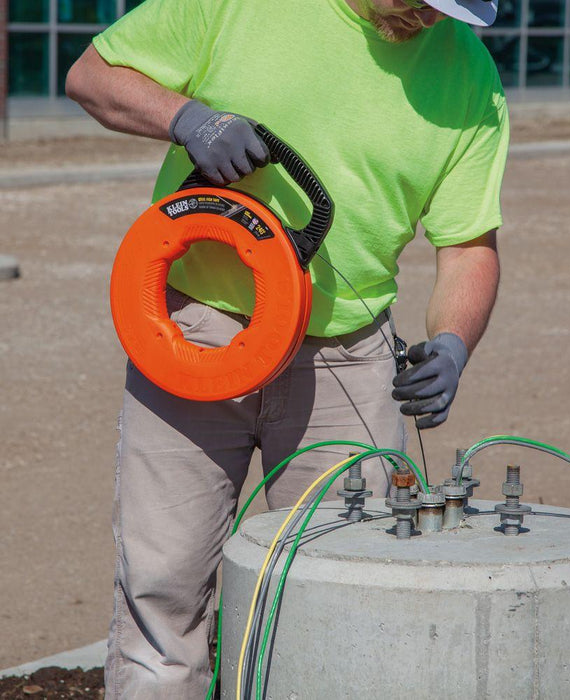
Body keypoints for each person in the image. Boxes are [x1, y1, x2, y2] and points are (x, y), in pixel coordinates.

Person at [66, 0, 508, 696]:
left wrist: (453, 343)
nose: (429, 16)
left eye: (446, 6)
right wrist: (189, 119)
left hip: (347, 357)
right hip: (196, 330)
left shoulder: (469, 73)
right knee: (164, 587)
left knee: (334, 587)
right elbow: (93, 76)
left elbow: (468, 247)